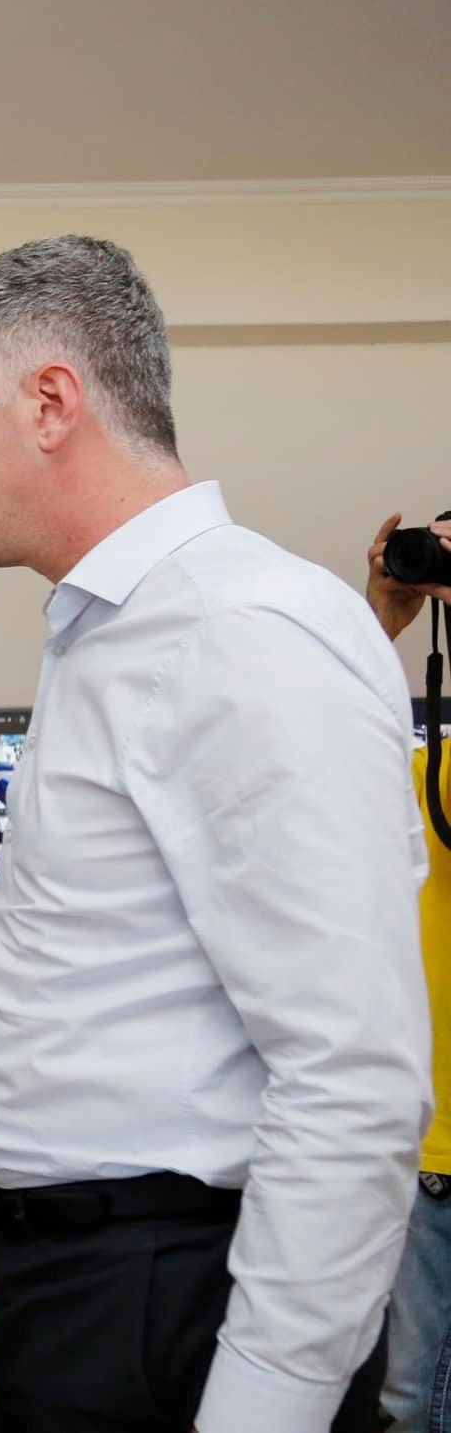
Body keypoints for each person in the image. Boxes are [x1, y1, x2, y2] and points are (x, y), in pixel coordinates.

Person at [0, 235, 429, 1433]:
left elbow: (350, 1074)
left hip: (167, 1302)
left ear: (50, 402)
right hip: (96, 1287)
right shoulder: (121, 629)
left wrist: (264, 1408)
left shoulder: (231, 631)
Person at [367, 511, 451, 1433]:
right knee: (408, 1402)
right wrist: (379, 624)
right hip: (428, 1146)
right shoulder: (432, 770)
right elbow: (319, 749)